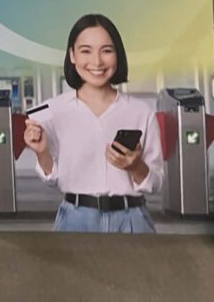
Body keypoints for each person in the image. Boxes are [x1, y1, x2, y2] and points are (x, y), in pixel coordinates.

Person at [23, 14, 163, 233]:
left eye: (106, 50)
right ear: (72, 55)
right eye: (86, 51)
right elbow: (52, 179)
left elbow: (155, 182)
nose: (97, 62)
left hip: (132, 219)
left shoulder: (141, 112)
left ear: (118, 55)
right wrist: (42, 153)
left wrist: (136, 166)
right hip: (75, 218)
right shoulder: (49, 110)